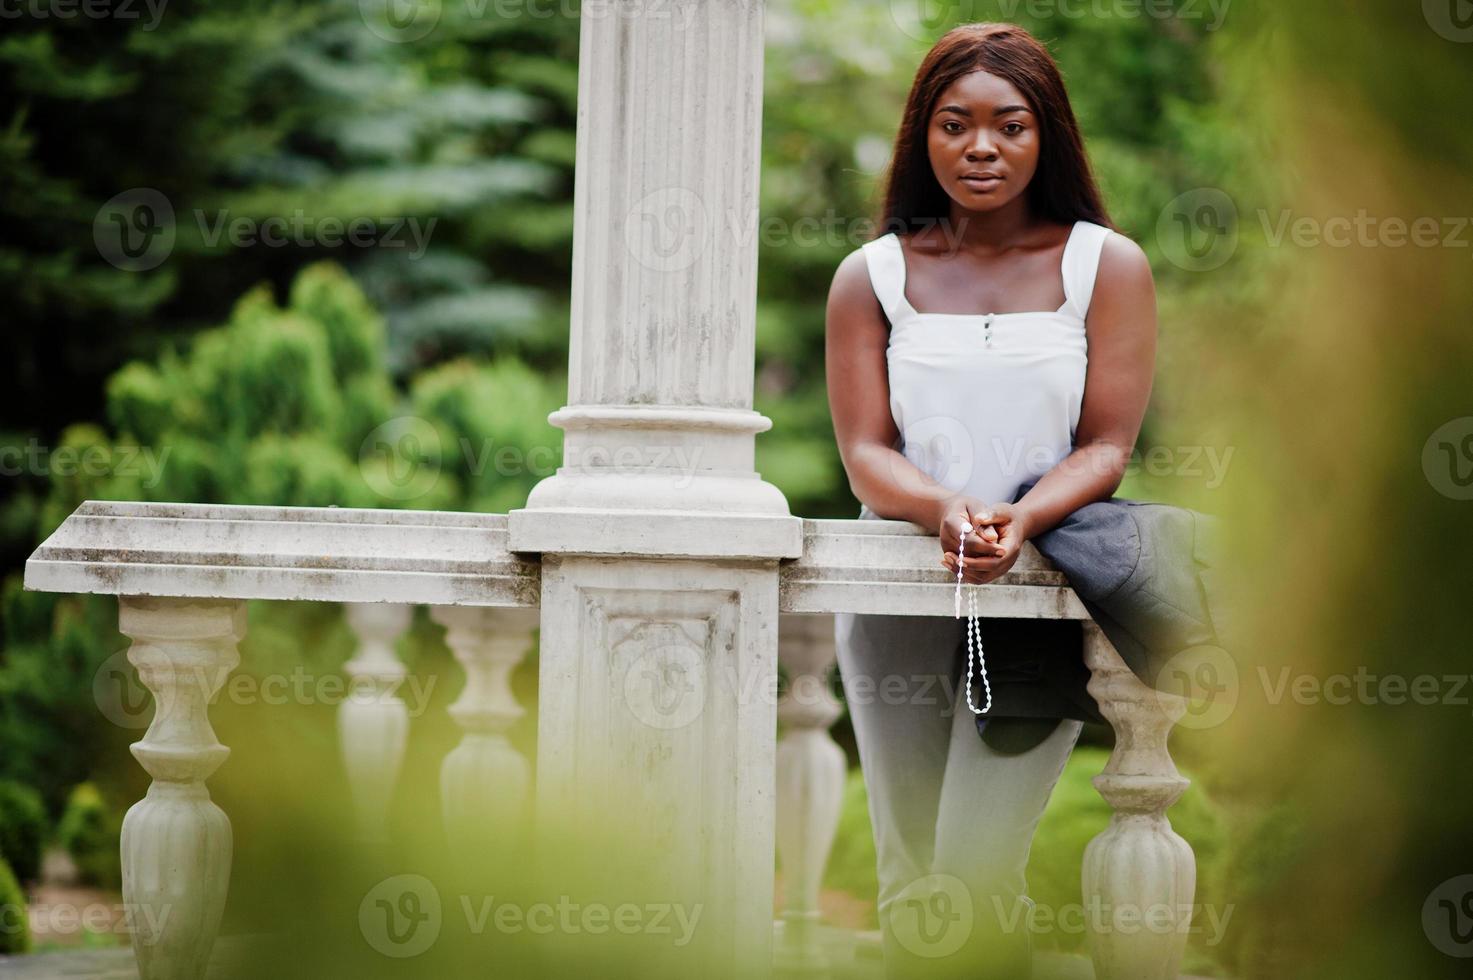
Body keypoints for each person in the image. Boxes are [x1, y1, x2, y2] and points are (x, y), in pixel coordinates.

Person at [824, 22, 1157, 980]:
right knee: (911, 879)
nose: (980, 147)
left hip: (1037, 593)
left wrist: (1021, 518)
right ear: (920, 138)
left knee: (975, 870)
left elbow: (1106, 444)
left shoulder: (1105, 264)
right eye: (954, 124)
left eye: (1008, 126)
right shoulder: (873, 274)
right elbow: (863, 454)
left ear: (1044, 134)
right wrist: (944, 512)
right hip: (895, 596)